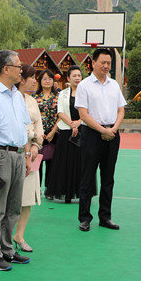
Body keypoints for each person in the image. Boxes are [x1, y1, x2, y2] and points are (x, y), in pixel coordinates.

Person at [0, 50, 32, 271]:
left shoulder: (17, 95)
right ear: (6, 69)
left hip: (19, 154)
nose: (21, 70)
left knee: (13, 207)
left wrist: (27, 155)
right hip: (1, 155)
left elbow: (23, 127)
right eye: (18, 66)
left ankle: (7, 250)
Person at [76, 47, 125, 231]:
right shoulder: (84, 85)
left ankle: (105, 217)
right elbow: (83, 114)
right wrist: (102, 130)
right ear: (93, 63)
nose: (106, 66)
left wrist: (113, 129)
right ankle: (84, 217)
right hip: (91, 135)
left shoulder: (114, 85)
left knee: (108, 177)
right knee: (87, 177)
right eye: (103, 62)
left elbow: (121, 109)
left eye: (109, 63)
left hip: (112, 133)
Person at [14, 65, 43, 252]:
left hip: (32, 156)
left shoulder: (32, 101)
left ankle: (19, 235)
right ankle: (2, 236)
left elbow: (39, 127)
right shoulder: (11, 97)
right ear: (21, 79)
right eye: (32, 77)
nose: (35, 80)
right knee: (10, 199)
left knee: (27, 199)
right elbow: (20, 127)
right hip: (13, 152)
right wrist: (32, 136)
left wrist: (35, 145)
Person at [47, 66, 83, 203]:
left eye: (79, 75)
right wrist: (72, 124)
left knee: (80, 163)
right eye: (74, 75)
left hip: (82, 130)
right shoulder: (62, 94)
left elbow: (88, 111)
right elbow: (60, 112)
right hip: (65, 131)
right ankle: (61, 192)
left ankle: (80, 191)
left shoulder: (86, 93)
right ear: (68, 78)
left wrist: (78, 123)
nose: (77, 78)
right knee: (63, 163)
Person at [35, 69, 59, 193]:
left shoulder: (58, 97)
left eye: (50, 78)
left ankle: (49, 189)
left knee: (52, 162)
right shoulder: (34, 97)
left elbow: (61, 115)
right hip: (38, 134)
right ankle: (36, 188)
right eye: (44, 79)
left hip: (53, 134)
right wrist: (39, 132)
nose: (47, 81)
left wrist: (52, 132)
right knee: (37, 161)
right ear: (40, 81)